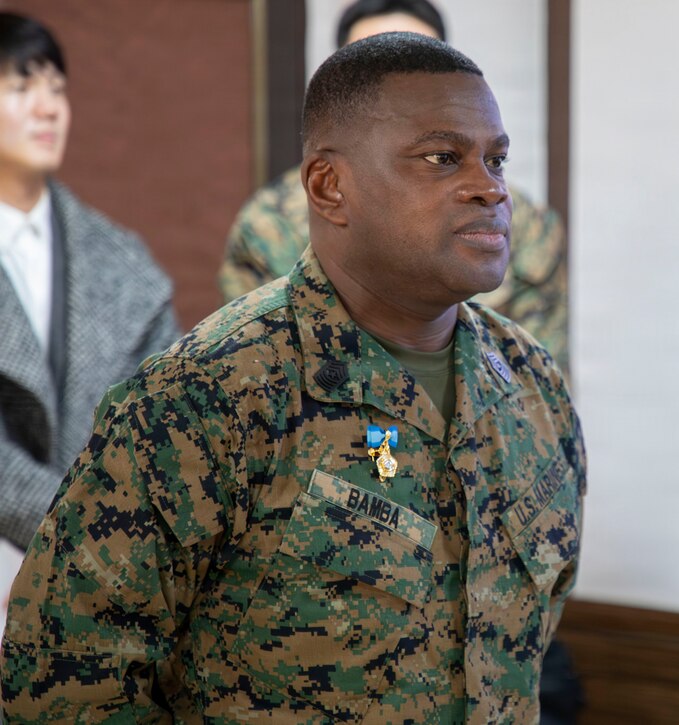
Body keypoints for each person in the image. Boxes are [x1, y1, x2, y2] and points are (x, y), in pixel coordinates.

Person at [1, 32, 585, 722]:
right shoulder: (209, 395)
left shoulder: (531, 390)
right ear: (329, 186)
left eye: (496, 159)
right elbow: (64, 687)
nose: (490, 188)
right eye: (442, 158)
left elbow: (519, 641)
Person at [219, 0, 570, 372]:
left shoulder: (520, 223)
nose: (489, 189)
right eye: (374, 59)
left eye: (497, 162)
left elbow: (533, 387)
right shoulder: (268, 225)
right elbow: (253, 364)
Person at [0, 14, 178, 556]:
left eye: (57, 89)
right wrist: (80, 535)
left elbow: (168, 420)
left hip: (105, 576)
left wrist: (105, 542)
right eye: (21, 86)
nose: (48, 107)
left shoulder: (122, 261)